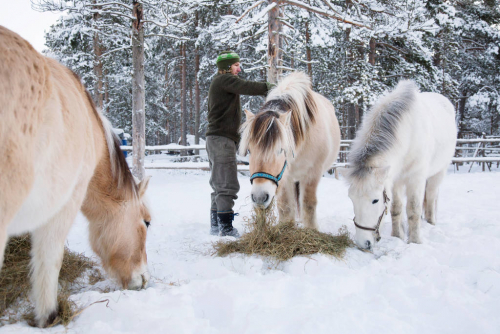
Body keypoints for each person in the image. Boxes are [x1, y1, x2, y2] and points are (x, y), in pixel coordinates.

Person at [206, 51, 274, 237]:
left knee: (219, 184)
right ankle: (225, 228)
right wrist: (270, 87)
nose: (239, 68)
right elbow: (246, 86)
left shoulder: (222, 82)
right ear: (227, 67)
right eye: (236, 65)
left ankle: (216, 225)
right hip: (221, 140)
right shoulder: (223, 80)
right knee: (227, 184)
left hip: (218, 139)